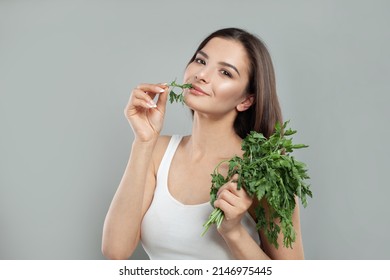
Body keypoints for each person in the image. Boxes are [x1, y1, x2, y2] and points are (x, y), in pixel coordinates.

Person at [102, 27, 305, 260]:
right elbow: (115, 251)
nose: (202, 75)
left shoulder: (265, 172)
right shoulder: (158, 153)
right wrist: (143, 142)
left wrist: (234, 232)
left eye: (225, 73)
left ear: (246, 100)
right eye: (200, 61)